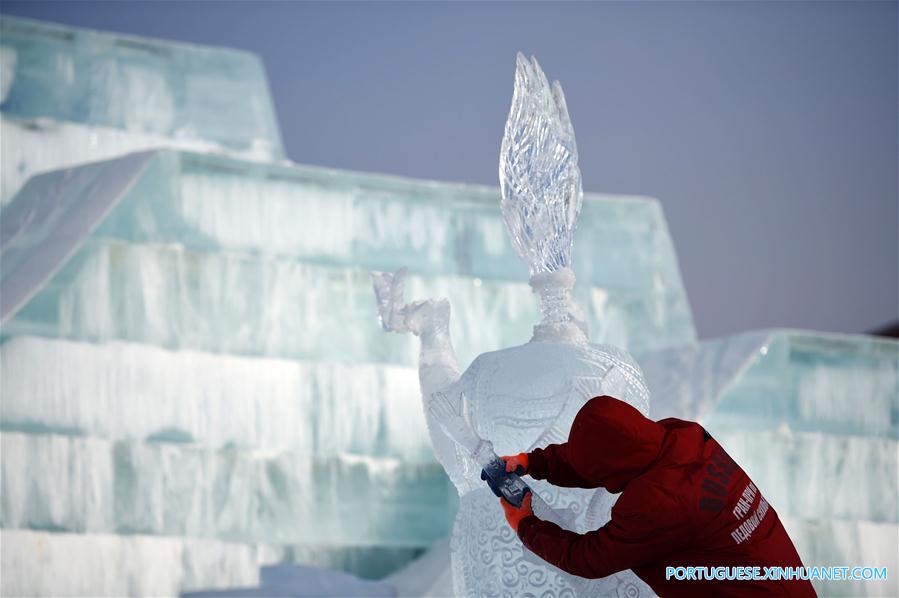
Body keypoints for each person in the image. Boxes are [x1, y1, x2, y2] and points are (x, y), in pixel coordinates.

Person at [498, 395, 817, 597]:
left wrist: (526, 527)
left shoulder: (658, 503)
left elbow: (590, 557)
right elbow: (610, 450)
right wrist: (532, 462)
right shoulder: (682, 436)